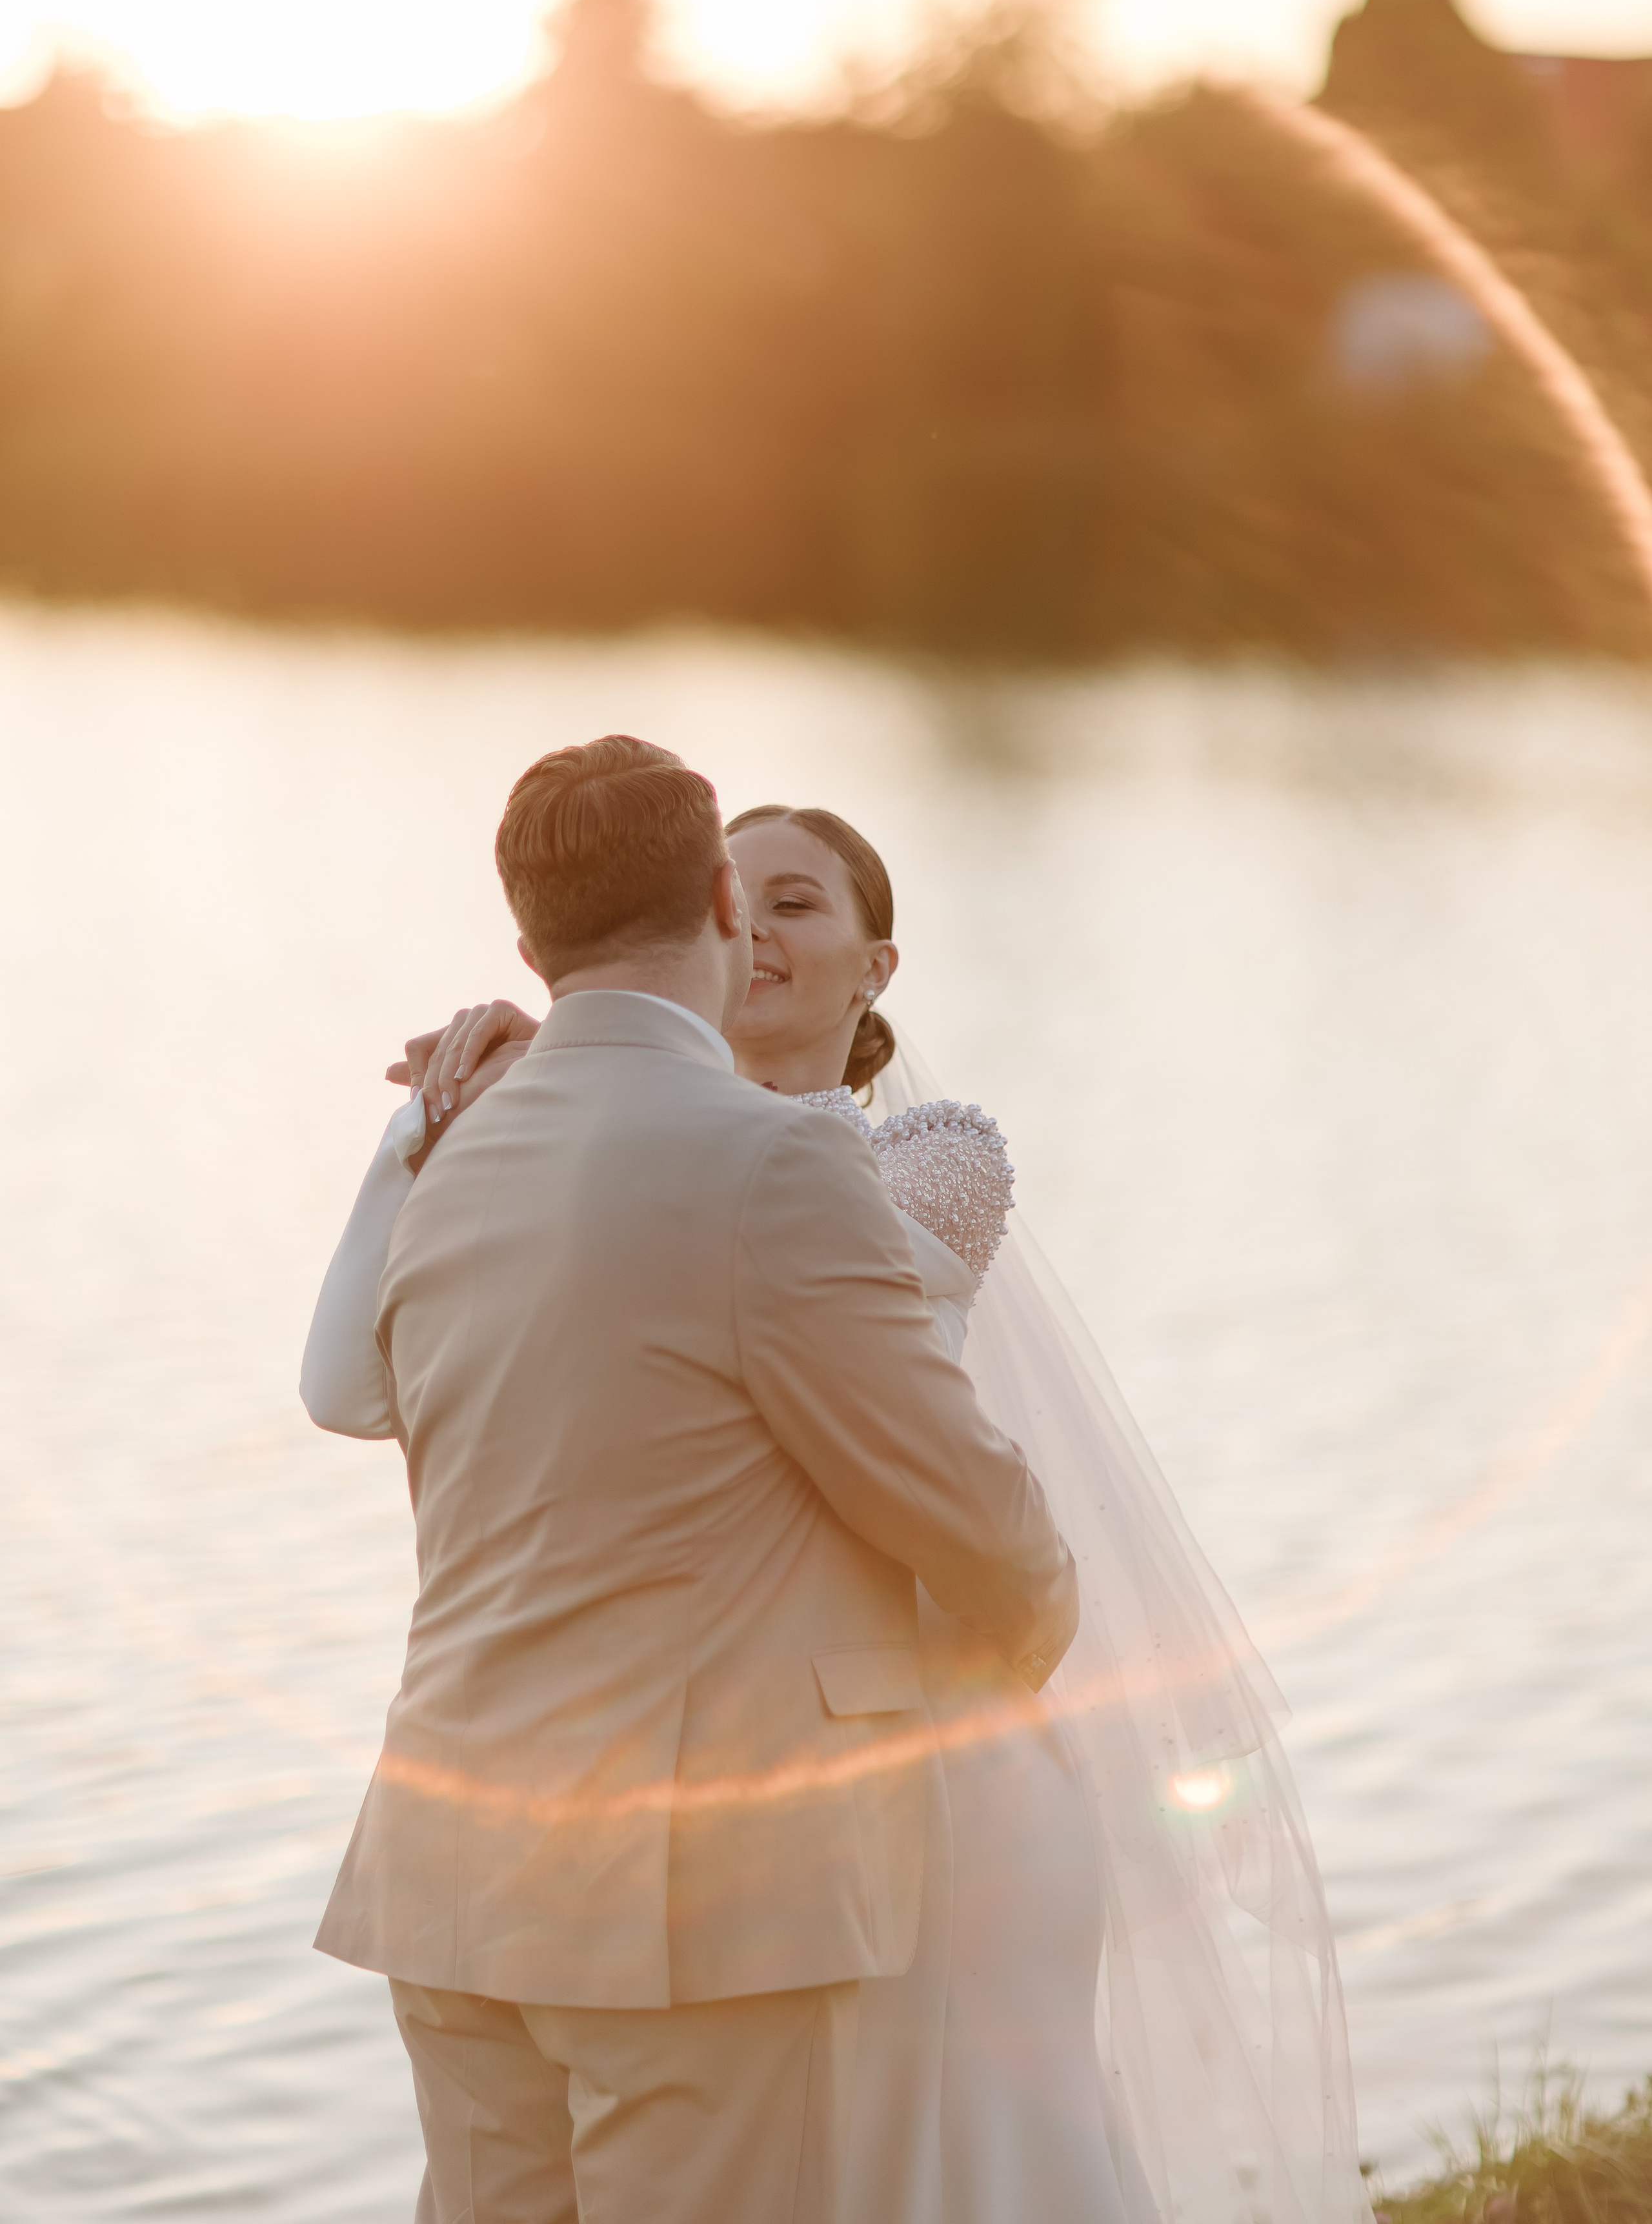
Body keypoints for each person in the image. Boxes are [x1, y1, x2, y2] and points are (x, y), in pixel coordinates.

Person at [309, 783, 1373, 2224]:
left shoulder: (892, 1158)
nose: (760, 930)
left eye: (801, 900)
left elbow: (802, 1342)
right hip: (696, 1833)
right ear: (712, 911)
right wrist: (501, 1092)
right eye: (750, 894)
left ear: (879, 964)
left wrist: (547, 1073)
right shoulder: (649, 1149)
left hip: (759, 1786)